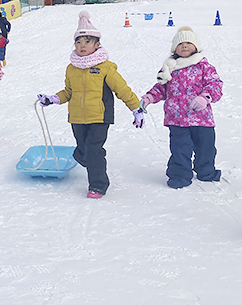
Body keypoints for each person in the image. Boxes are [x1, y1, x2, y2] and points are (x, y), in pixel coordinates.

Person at [37, 11, 143, 199]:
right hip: (77, 117)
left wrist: (136, 108)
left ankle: (98, 185)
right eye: (78, 42)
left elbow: (122, 89)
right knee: (83, 151)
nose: (82, 46)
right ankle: (85, 159)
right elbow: (68, 92)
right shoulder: (72, 68)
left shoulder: (105, 67)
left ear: (97, 44)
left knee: (94, 150)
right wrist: (52, 99)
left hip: (99, 116)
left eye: (87, 41)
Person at [141, 27, 223, 189]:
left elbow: (215, 85)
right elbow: (161, 88)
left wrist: (205, 98)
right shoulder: (169, 68)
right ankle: (180, 175)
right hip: (177, 119)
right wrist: (149, 97)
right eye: (180, 44)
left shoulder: (204, 66)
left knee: (205, 147)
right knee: (180, 149)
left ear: (196, 47)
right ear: (174, 49)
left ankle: (206, 171)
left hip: (202, 118)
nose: (184, 46)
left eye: (188, 43)